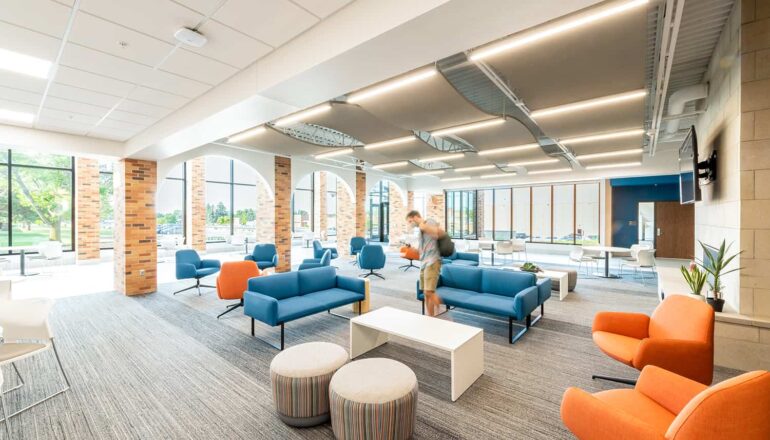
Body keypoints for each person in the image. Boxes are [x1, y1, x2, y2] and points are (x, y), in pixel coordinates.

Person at [405, 210, 443, 317]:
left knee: (428, 292)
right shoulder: (420, 232)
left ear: (416, 217)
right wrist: (412, 249)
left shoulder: (429, 222)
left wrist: (421, 224)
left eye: (410, 221)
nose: (410, 224)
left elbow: (436, 233)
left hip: (433, 261)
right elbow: (421, 250)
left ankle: (443, 313)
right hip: (424, 263)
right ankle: (430, 317)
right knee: (426, 293)